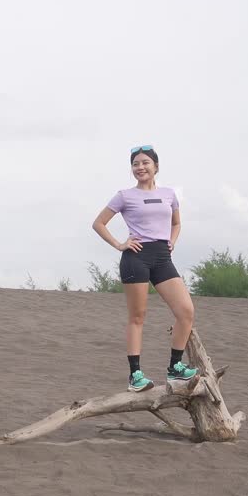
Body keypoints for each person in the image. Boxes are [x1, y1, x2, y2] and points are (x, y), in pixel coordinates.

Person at [91, 144, 198, 392]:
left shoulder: (170, 194)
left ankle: (175, 368)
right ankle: (135, 375)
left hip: (162, 258)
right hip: (135, 257)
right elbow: (99, 223)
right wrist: (120, 244)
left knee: (186, 311)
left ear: (156, 166)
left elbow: (177, 223)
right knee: (138, 317)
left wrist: (172, 241)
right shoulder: (124, 196)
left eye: (145, 163)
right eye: (136, 164)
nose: (140, 167)